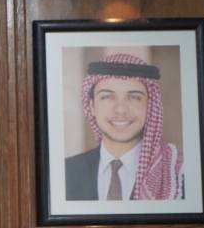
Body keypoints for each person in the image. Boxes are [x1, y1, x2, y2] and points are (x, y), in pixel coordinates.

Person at [65, 53, 184, 201]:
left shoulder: (179, 173)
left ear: (150, 106)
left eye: (134, 97)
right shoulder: (65, 172)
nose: (121, 110)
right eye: (107, 96)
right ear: (92, 106)